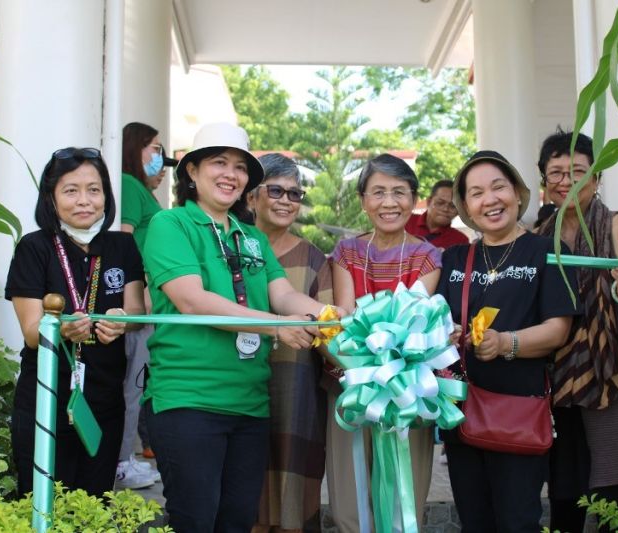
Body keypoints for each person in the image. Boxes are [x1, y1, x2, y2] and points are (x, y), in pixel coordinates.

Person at [142, 123, 334, 533]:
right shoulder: (169, 225)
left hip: (250, 406)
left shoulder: (251, 238)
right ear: (191, 171)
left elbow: (284, 295)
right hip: (187, 401)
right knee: (195, 521)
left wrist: (334, 319)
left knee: (239, 522)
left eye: (240, 167)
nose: (231, 174)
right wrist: (278, 328)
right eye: (218, 162)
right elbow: (192, 300)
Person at [436, 150, 580, 532]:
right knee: (475, 522)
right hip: (462, 414)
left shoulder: (547, 251)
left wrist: (506, 343)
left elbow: (557, 329)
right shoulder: (454, 258)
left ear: (517, 193)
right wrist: (443, 334)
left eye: (499, 187)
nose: (490, 199)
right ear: (466, 207)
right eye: (477, 193)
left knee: (518, 522)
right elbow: (427, 318)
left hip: (519, 412)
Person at [535, 129, 618, 533]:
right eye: (555, 172)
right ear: (544, 182)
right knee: (567, 494)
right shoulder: (540, 239)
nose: (566, 181)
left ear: (597, 177)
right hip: (563, 381)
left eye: (577, 171)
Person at [6, 147, 145, 497]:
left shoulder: (123, 246)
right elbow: (32, 332)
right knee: (41, 505)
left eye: (94, 189)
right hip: (45, 402)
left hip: (104, 404)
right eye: (71, 190)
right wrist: (62, 329)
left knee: (94, 505)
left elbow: (137, 311)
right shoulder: (34, 247)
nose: (85, 200)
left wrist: (123, 320)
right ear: (51, 199)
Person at [329, 153, 441, 532]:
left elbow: (413, 323)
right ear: (363, 200)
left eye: (399, 192)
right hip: (351, 386)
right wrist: (361, 375)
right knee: (351, 504)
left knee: (403, 505)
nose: (389, 203)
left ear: (413, 199)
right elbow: (344, 316)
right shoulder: (346, 252)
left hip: (409, 392)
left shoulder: (428, 257)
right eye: (378, 192)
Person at [247, 153, 332, 532]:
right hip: (236, 387)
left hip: (296, 392)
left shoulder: (314, 258)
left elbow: (329, 326)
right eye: (276, 190)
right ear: (252, 197)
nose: (285, 200)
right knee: (244, 492)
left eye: (294, 194)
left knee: (293, 500)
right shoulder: (230, 247)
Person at [116, 121, 171, 489]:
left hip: (144, 301)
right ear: (134, 148)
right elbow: (123, 243)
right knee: (130, 386)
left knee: (134, 386)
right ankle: (121, 461)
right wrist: (142, 292)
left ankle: (124, 458)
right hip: (139, 303)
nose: (160, 157)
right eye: (153, 147)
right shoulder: (129, 185)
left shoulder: (139, 188)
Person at [405, 179, 469, 249]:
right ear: (429, 202)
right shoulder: (405, 220)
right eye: (440, 203)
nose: (445, 209)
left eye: (453, 206)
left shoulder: (460, 241)